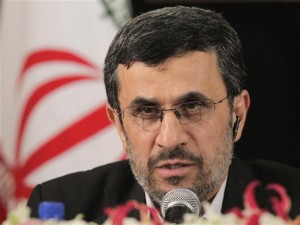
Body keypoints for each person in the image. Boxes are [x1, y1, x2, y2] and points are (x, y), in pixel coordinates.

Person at [27, 5, 300, 224]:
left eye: (192, 107)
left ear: (236, 115)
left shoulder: (293, 207)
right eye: (146, 111)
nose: (170, 139)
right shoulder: (61, 207)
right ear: (119, 125)